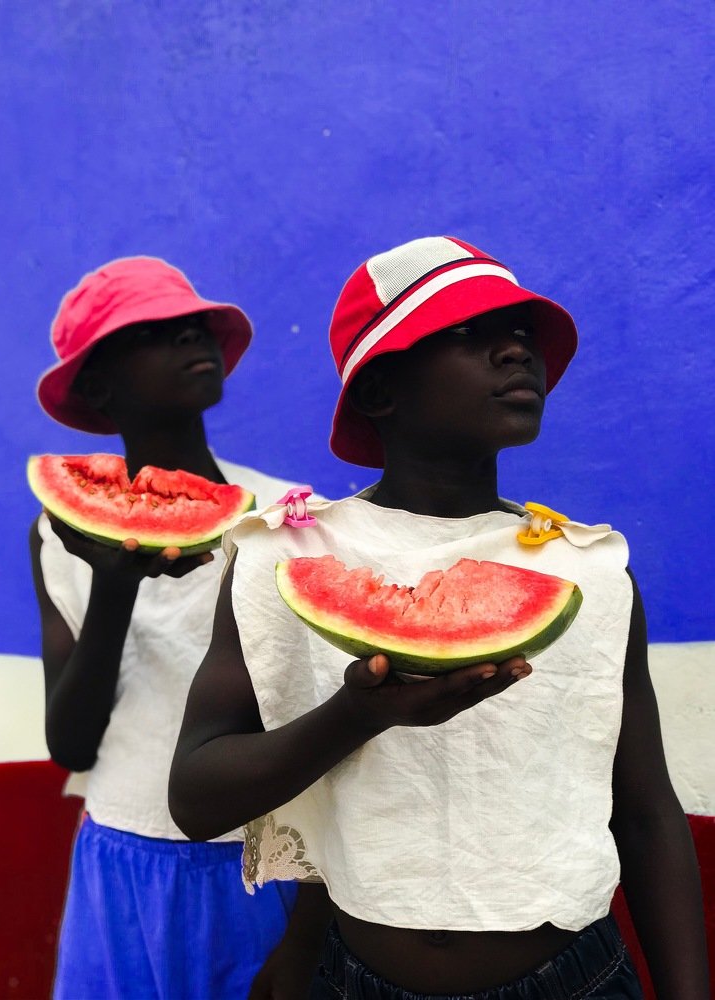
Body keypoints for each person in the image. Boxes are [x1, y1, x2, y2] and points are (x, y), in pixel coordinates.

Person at [169, 236, 710, 999]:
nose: (516, 350)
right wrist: (357, 715)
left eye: (522, 332)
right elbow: (195, 798)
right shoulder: (279, 562)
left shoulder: (588, 569)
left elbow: (649, 813)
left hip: (575, 980)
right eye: (467, 333)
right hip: (358, 979)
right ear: (379, 390)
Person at [29, 256, 300, 999]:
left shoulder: (290, 517)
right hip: (117, 853)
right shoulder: (57, 533)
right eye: (158, 332)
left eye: (197, 326)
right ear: (98, 384)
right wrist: (115, 588)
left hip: (257, 858)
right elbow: (71, 744)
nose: (192, 339)